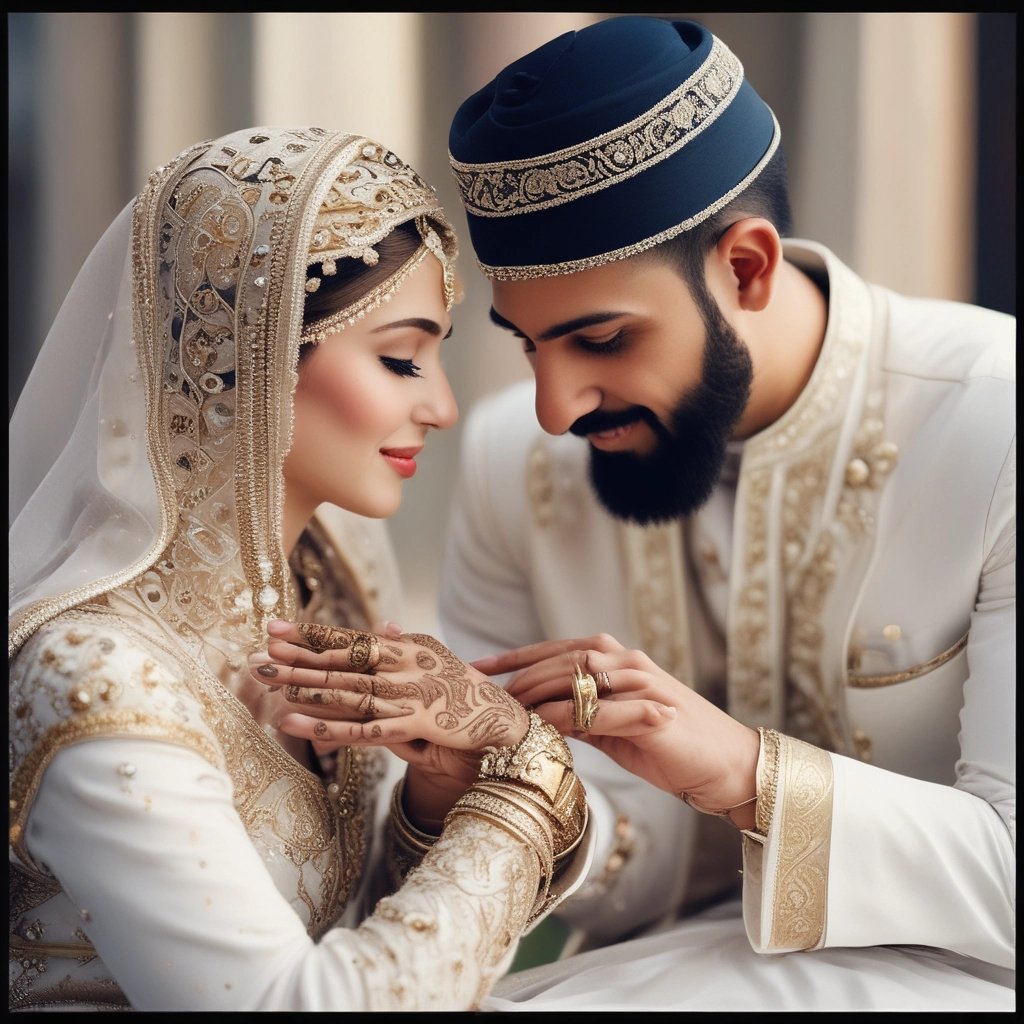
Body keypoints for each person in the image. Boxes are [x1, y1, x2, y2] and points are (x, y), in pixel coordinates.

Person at [224, 17, 1013, 1011]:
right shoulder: (518, 462)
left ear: (747, 268)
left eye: (600, 339)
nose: (557, 409)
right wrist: (473, 767)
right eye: (528, 345)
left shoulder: (995, 421)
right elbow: (617, 857)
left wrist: (741, 770)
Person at [8, 125, 600, 1012]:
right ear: (246, 360)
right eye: (402, 358)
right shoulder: (95, 677)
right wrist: (527, 771)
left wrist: (435, 802)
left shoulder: (332, 571)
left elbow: (353, 930)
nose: (441, 405)